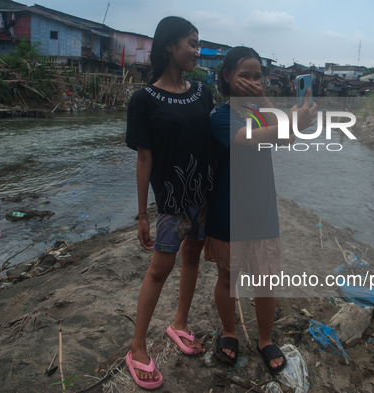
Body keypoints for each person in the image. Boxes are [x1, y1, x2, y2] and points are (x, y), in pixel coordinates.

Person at [204, 47, 316, 374]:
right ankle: (229, 331)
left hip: (263, 213)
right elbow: (256, 138)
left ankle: (265, 339)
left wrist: (267, 102)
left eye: (257, 77)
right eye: (244, 75)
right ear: (226, 76)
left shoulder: (256, 110)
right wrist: (294, 124)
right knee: (228, 278)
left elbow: (284, 138)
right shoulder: (220, 117)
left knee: (266, 282)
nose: (252, 83)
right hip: (228, 214)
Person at [124, 16, 214, 390]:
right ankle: (137, 346)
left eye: (198, 43)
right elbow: (144, 158)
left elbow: (213, 139)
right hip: (172, 200)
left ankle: (179, 323)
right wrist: (143, 212)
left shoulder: (203, 91)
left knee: (193, 257)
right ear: (169, 47)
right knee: (160, 269)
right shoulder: (143, 100)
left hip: (204, 196)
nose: (196, 50)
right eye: (190, 43)